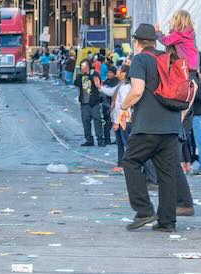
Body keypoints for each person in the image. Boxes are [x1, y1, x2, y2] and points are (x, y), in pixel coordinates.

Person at [118, 23, 192, 232]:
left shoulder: (140, 59)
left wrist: (123, 107)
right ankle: (167, 222)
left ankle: (144, 210)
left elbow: (137, 90)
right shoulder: (168, 58)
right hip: (171, 126)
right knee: (167, 173)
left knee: (130, 161)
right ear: (154, 41)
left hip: (147, 125)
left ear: (137, 42)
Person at [78, 60, 104, 146]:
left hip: (94, 103)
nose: (83, 69)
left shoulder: (94, 74)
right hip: (84, 103)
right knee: (86, 121)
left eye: (85, 67)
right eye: (82, 67)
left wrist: (89, 76)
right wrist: (82, 75)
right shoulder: (80, 76)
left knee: (97, 121)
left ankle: (100, 139)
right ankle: (89, 139)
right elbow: (76, 83)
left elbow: (98, 83)